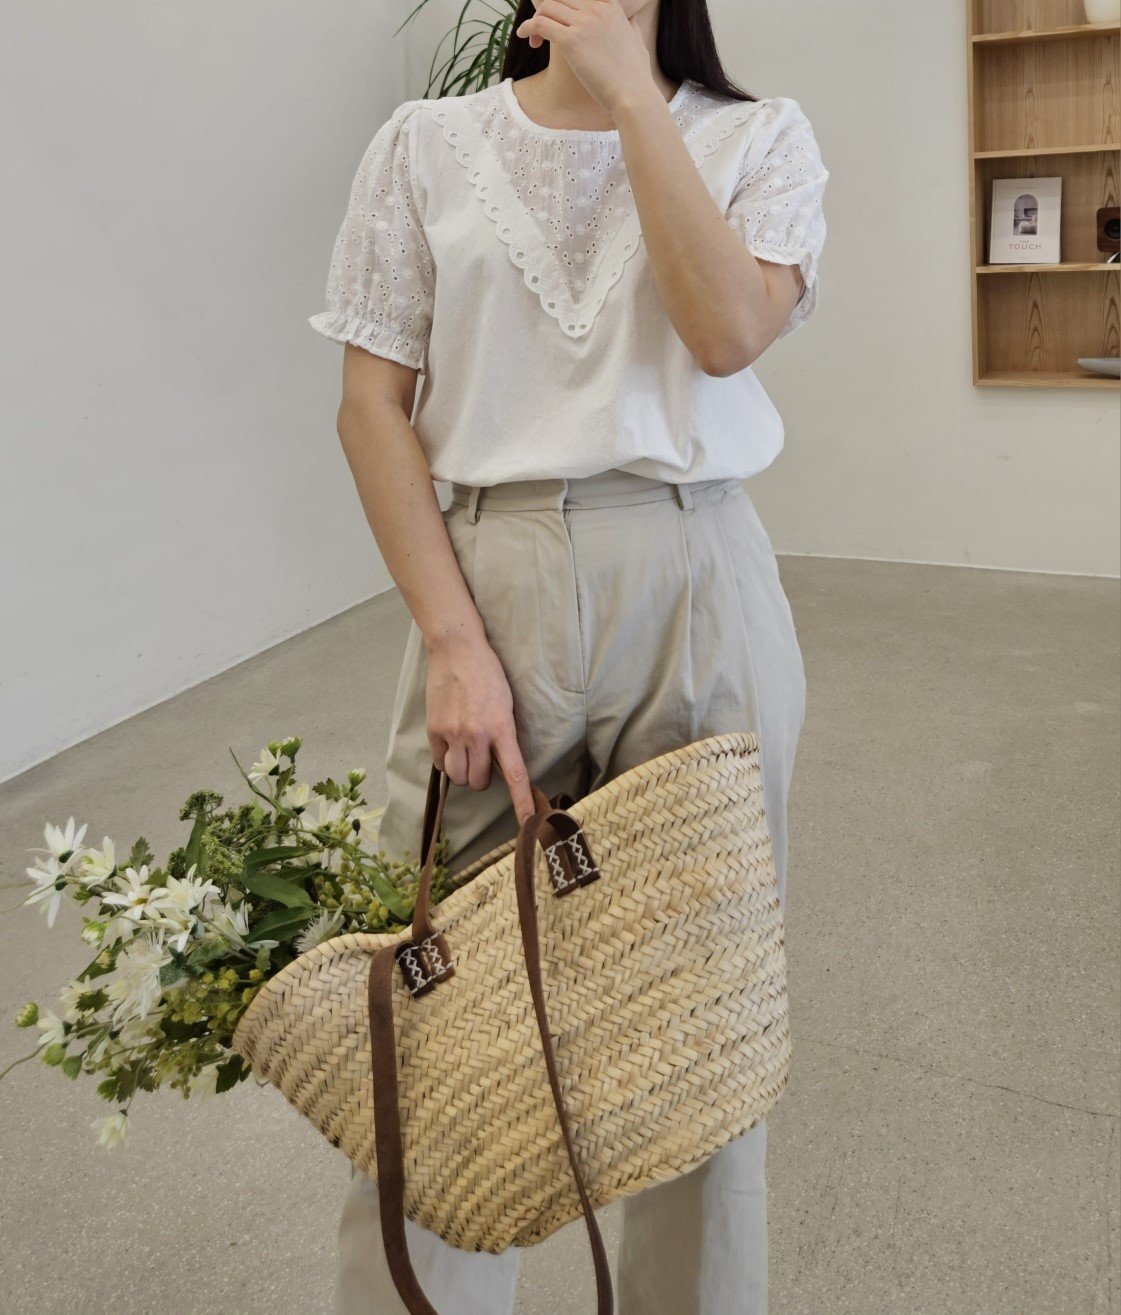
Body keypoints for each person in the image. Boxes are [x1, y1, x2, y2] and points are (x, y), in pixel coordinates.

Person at [307, 1, 829, 1311]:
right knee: (432, 1011)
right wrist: (451, 641)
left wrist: (636, 99)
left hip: (694, 570)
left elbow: (725, 334)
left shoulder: (762, 139)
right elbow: (371, 407)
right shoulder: (424, 143)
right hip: (489, 579)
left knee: (698, 1023)